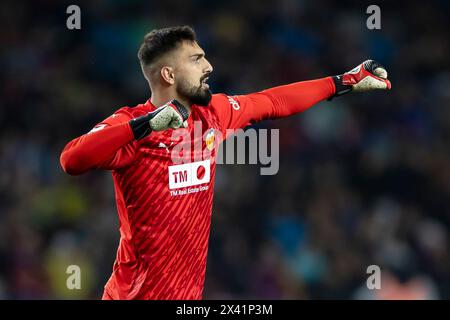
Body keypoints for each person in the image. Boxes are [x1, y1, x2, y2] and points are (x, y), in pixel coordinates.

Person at [60, 25, 391, 300]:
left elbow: (272, 101)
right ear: (168, 73)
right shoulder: (132, 124)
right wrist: (145, 125)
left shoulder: (213, 114)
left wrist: (343, 81)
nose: (209, 67)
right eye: (197, 59)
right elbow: (72, 160)